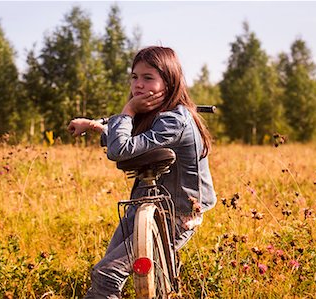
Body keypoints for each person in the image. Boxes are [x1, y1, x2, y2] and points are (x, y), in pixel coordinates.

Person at [67, 46, 217, 298]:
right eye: (135, 77)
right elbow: (132, 138)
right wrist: (94, 125)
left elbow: (121, 148)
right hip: (146, 207)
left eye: (148, 78)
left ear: (169, 82)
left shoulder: (174, 120)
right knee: (107, 270)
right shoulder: (160, 116)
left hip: (175, 217)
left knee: (107, 273)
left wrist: (128, 111)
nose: (138, 84)